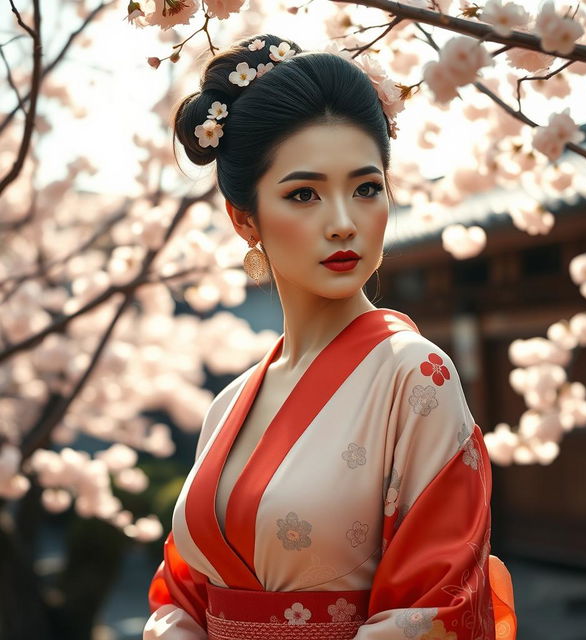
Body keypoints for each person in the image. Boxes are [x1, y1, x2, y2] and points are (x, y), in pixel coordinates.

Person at [143, 33, 517, 640]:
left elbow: (433, 608)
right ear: (245, 218)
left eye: (366, 188)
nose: (343, 223)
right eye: (303, 194)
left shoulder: (416, 376)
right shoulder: (228, 404)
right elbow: (181, 595)